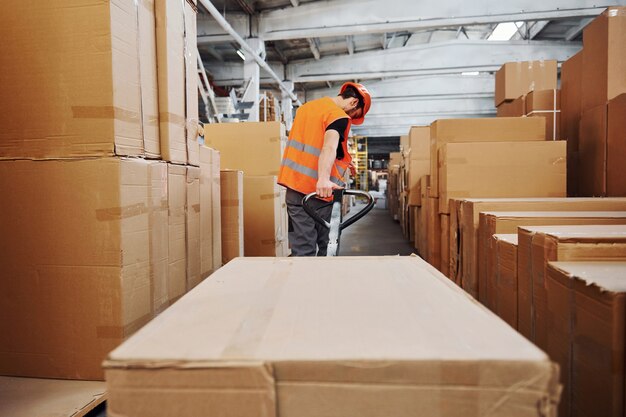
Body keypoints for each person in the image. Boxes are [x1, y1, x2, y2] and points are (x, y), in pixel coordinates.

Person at [278, 82, 371, 256]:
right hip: (319, 195)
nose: (350, 117)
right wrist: (323, 178)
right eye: (354, 114)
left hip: (294, 190)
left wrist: (342, 160)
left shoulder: (306, 108)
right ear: (354, 103)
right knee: (327, 249)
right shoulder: (337, 116)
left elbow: (312, 143)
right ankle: (321, 283)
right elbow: (328, 146)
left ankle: (302, 282)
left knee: (302, 249)